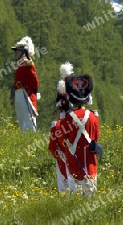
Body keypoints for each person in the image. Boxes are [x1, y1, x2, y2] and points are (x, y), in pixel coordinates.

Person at [57, 73, 101, 194]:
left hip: (74, 162)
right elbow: (96, 137)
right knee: (90, 196)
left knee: (75, 195)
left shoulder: (67, 119)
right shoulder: (93, 117)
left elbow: (61, 139)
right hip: (90, 163)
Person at [48, 62, 74, 193]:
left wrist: (59, 155)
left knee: (63, 186)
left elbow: (52, 148)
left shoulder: (57, 126)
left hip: (62, 160)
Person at [11, 36, 39, 132]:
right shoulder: (20, 64)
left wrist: (31, 91)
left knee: (29, 120)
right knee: (22, 121)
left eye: (18, 51)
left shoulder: (28, 63)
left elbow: (35, 82)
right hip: (19, 92)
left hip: (25, 93)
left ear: (24, 51)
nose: (16, 53)